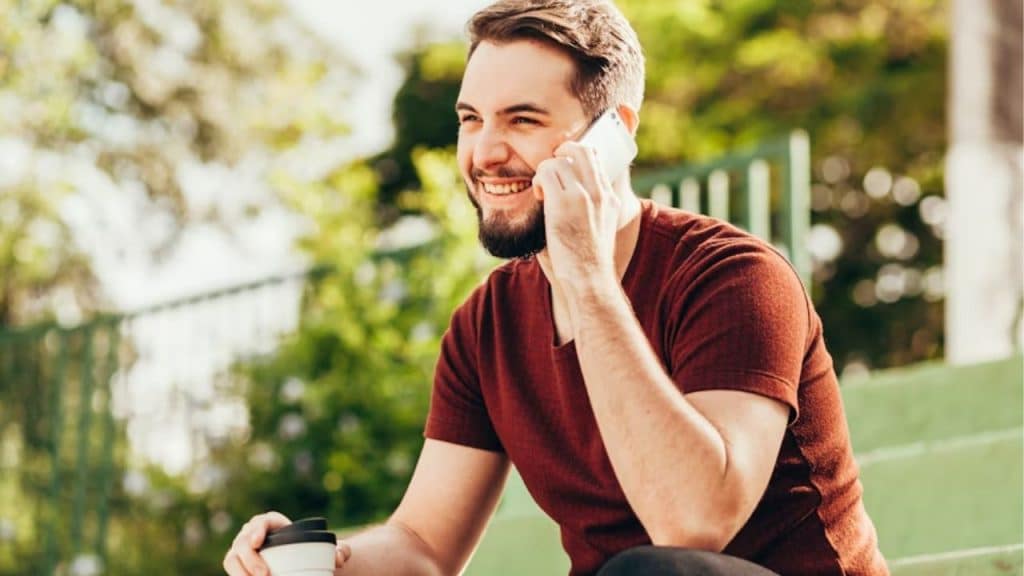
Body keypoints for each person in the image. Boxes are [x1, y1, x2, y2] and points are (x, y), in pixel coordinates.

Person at [224, 1, 889, 574]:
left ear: (613, 137)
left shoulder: (734, 278)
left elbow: (692, 525)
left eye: (521, 120)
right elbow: (424, 546)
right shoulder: (486, 326)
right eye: (470, 119)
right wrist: (315, 562)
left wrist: (588, 277)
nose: (484, 153)